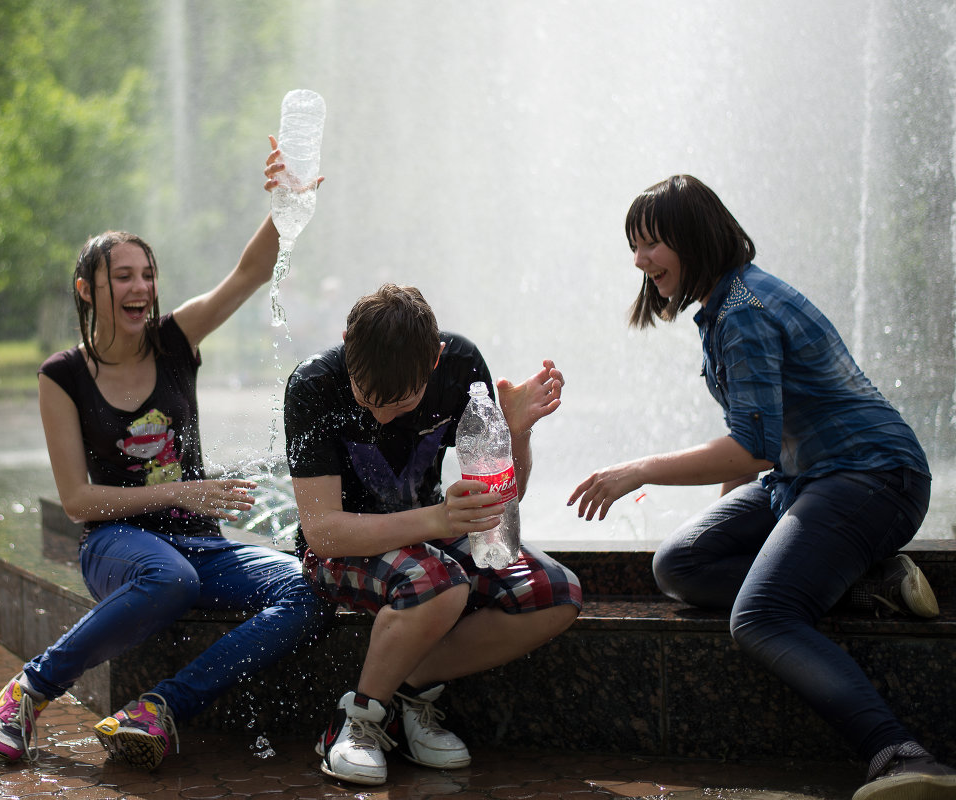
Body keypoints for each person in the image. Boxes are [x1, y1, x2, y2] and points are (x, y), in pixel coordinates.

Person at [569, 174, 955, 800]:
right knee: (681, 562)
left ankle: (902, 754)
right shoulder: (726, 304)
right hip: (807, 480)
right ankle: (872, 586)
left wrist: (636, 471)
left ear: (690, 238)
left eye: (649, 244)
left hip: (873, 477)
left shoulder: (744, 312)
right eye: (633, 247)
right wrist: (731, 526)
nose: (638, 261)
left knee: (762, 615)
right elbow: (754, 438)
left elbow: (750, 447)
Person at [0, 136, 330, 771]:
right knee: (170, 578)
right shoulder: (62, 376)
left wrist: (287, 201)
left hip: (202, 545)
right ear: (88, 289)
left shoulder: (174, 342)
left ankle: (160, 709)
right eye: (123, 276)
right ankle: (28, 693)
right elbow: (77, 500)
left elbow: (248, 275)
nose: (141, 287)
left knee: (310, 588)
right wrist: (180, 491)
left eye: (148, 274)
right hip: (117, 545)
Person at [284, 283, 582, 786]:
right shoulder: (313, 385)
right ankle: (356, 719)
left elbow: (501, 508)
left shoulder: (462, 366)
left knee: (555, 592)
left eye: (401, 403)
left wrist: (516, 434)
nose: (381, 416)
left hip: (428, 540)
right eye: (366, 397)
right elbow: (323, 534)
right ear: (345, 344)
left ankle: (406, 693)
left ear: (435, 360)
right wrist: (439, 521)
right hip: (344, 549)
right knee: (440, 581)